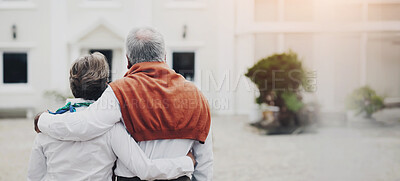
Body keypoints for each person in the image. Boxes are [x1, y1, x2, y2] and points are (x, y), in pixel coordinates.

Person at [34, 27, 213, 181]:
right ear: (164, 57)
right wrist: (188, 164)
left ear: (128, 60)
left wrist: (43, 120)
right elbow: (204, 159)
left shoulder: (120, 91)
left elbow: (84, 126)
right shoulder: (196, 96)